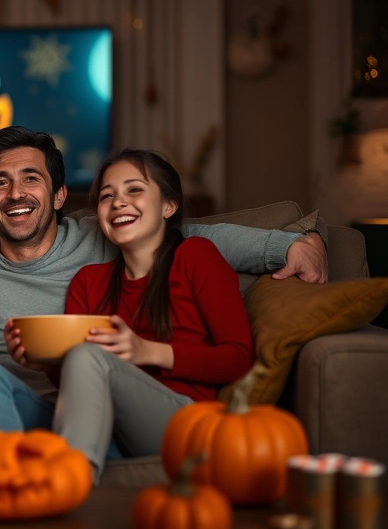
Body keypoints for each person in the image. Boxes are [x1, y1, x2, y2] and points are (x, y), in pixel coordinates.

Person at [0, 126, 327, 436]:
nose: (16, 193)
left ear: (59, 195)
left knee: (87, 360)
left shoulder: (106, 236)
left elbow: (192, 236)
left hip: (108, 405)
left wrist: (294, 243)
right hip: (23, 406)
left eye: (31, 179)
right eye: (1, 183)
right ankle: (4, 478)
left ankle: (63, 477)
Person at [48, 149, 252, 482]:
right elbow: (80, 390)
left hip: (185, 423)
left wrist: (148, 352)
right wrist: (42, 360)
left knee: (87, 355)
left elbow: (238, 357)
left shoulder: (196, 257)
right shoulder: (88, 282)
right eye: (107, 196)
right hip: (112, 426)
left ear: (168, 206)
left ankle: (69, 485)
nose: (118, 202)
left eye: (134, 190)